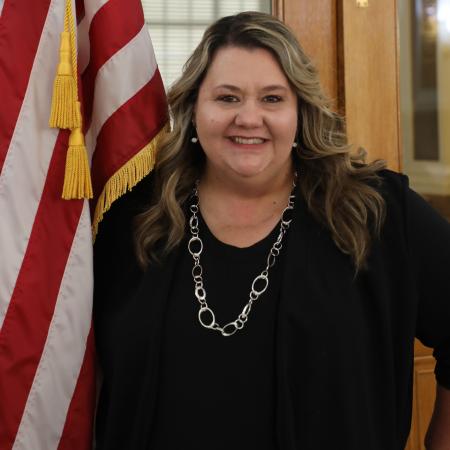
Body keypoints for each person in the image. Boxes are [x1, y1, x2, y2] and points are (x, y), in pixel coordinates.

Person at [93, 11, 450, 450]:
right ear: (192, 109)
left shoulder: (379, 212)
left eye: (272, 99)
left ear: (301, 111)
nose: (248, 118)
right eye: (227, 98)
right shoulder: (133, 218)